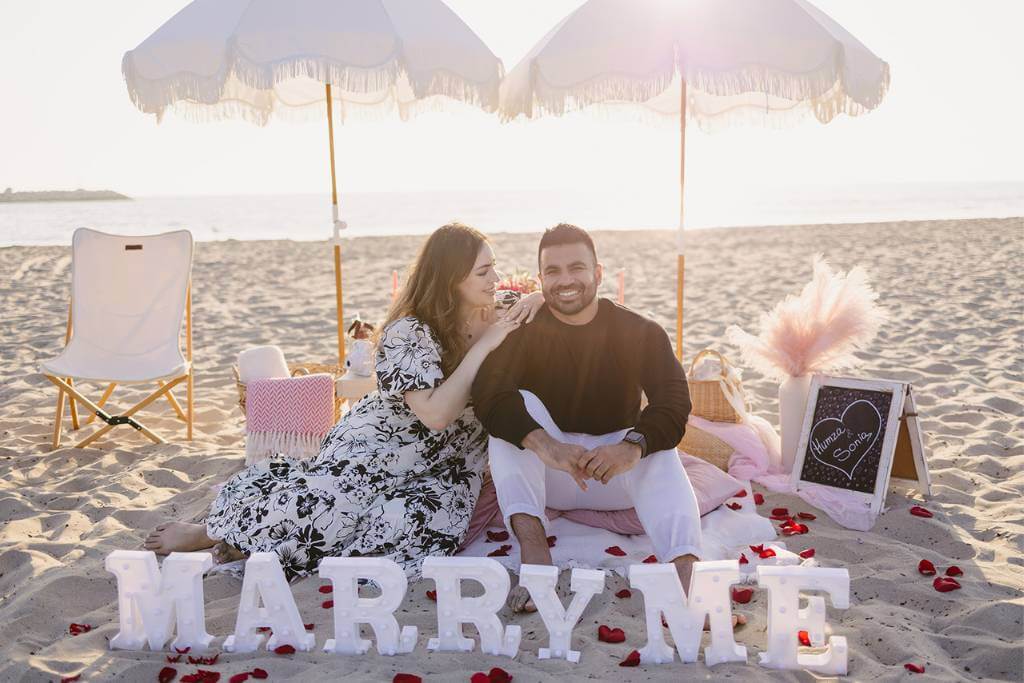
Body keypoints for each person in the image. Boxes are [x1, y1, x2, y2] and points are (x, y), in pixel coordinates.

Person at [145, 223, 543, 580]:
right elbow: (436, 415)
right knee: (326, 512)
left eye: (495, 267)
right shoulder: (410, 331)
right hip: (383, 446)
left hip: (447, 465)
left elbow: (553, 302)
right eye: (484, 271)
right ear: (450, 279)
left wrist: (537, 297)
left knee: (409, 529)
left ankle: (251, 543)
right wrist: (485, 347)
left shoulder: (499, 307)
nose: (497, 278)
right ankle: (212, 531)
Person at [472, 223, 710, 614]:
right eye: (553, 271)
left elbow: (674, 401)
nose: (565, 280)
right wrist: (548, 446)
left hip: (616, 474)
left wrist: (631, 449)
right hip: (552, 475)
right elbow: (489, 395)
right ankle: (534, 556)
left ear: (598, 274)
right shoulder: (523, 330)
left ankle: (685, 574)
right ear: (540, 280)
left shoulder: (641, 331)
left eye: (576, 268)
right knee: (513, 412)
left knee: (660, 449)